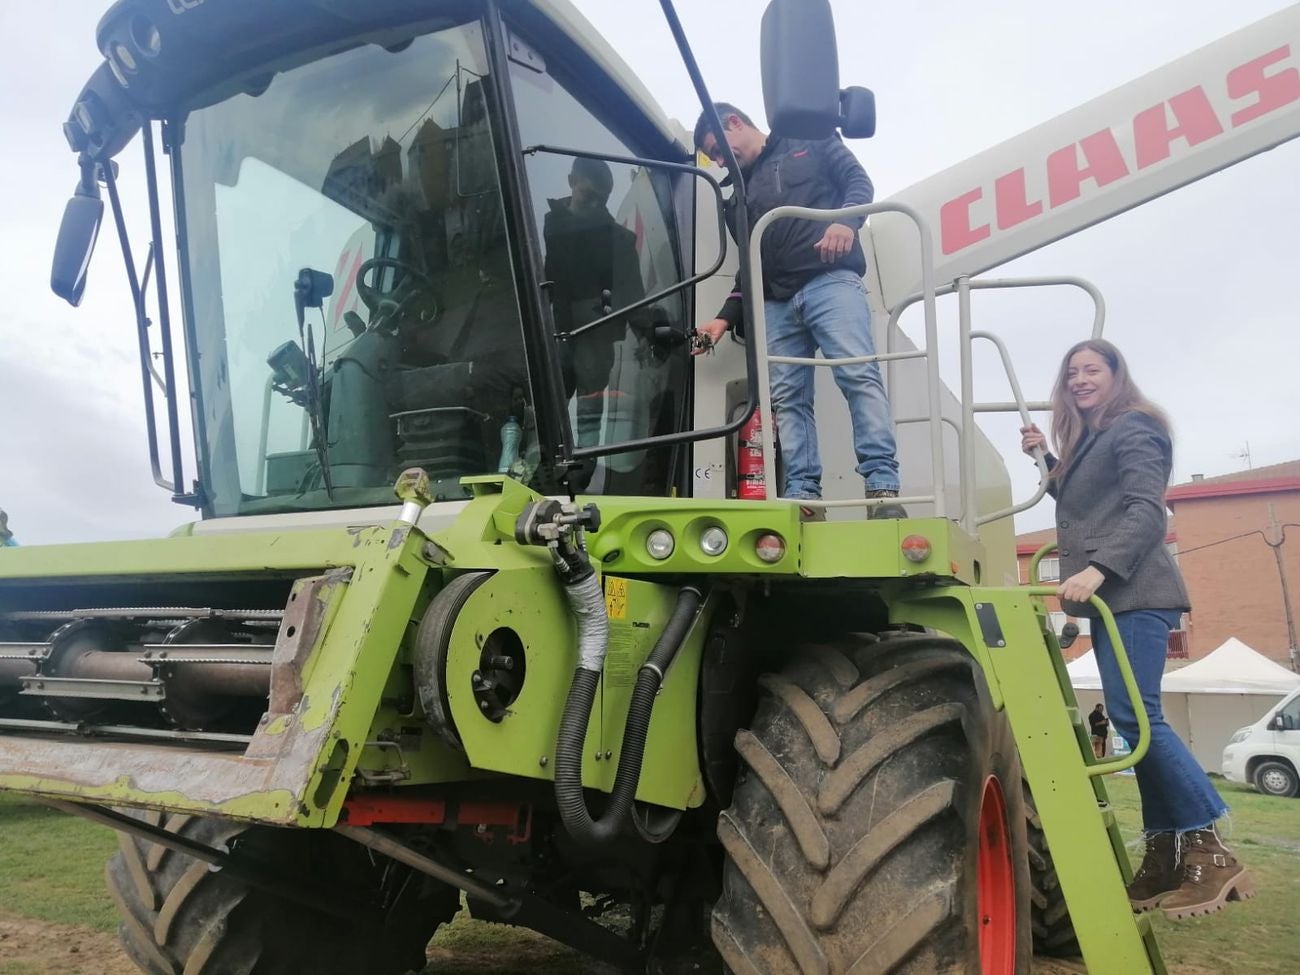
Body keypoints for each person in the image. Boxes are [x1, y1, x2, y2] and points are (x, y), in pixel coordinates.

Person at [1021, 338, 1253, 919]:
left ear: (1117, 375)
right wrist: (1045, 461)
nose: (1079, 379)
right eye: (1070, 371)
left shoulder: (1136, 426)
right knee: (1134, 717)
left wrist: (1098, 570)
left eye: (1091, 369)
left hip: (1135, 590)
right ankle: (1165, 856)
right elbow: (1082, 503)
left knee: (1136, 717)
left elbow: (1148, 510)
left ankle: (1208, 845)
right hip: (1110, 598)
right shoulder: (1090, 439)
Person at [691, 103, 902, 518]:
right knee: (788, 401)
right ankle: (804, 495)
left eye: (718, 149)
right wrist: (722, 319)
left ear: (734, 122)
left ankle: (882, 489)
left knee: (858, 375)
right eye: (712, 158)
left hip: (830, 281)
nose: (718, 161)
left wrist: (846, 223)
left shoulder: (810, 137)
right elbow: (748, 269)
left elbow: (857, 181)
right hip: (775, 302)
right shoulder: (735, 202)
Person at [543, 156, 645, 464]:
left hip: (596, 334)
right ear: (572, 181)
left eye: (601, 199)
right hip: (548, 330)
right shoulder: (538, 226)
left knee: (589, 405)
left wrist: (651, 333)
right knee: (544, 404)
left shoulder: (621, 242)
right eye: (588, 195)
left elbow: (634, 297)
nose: (594, 205)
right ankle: (541, 461)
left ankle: (583, 465)